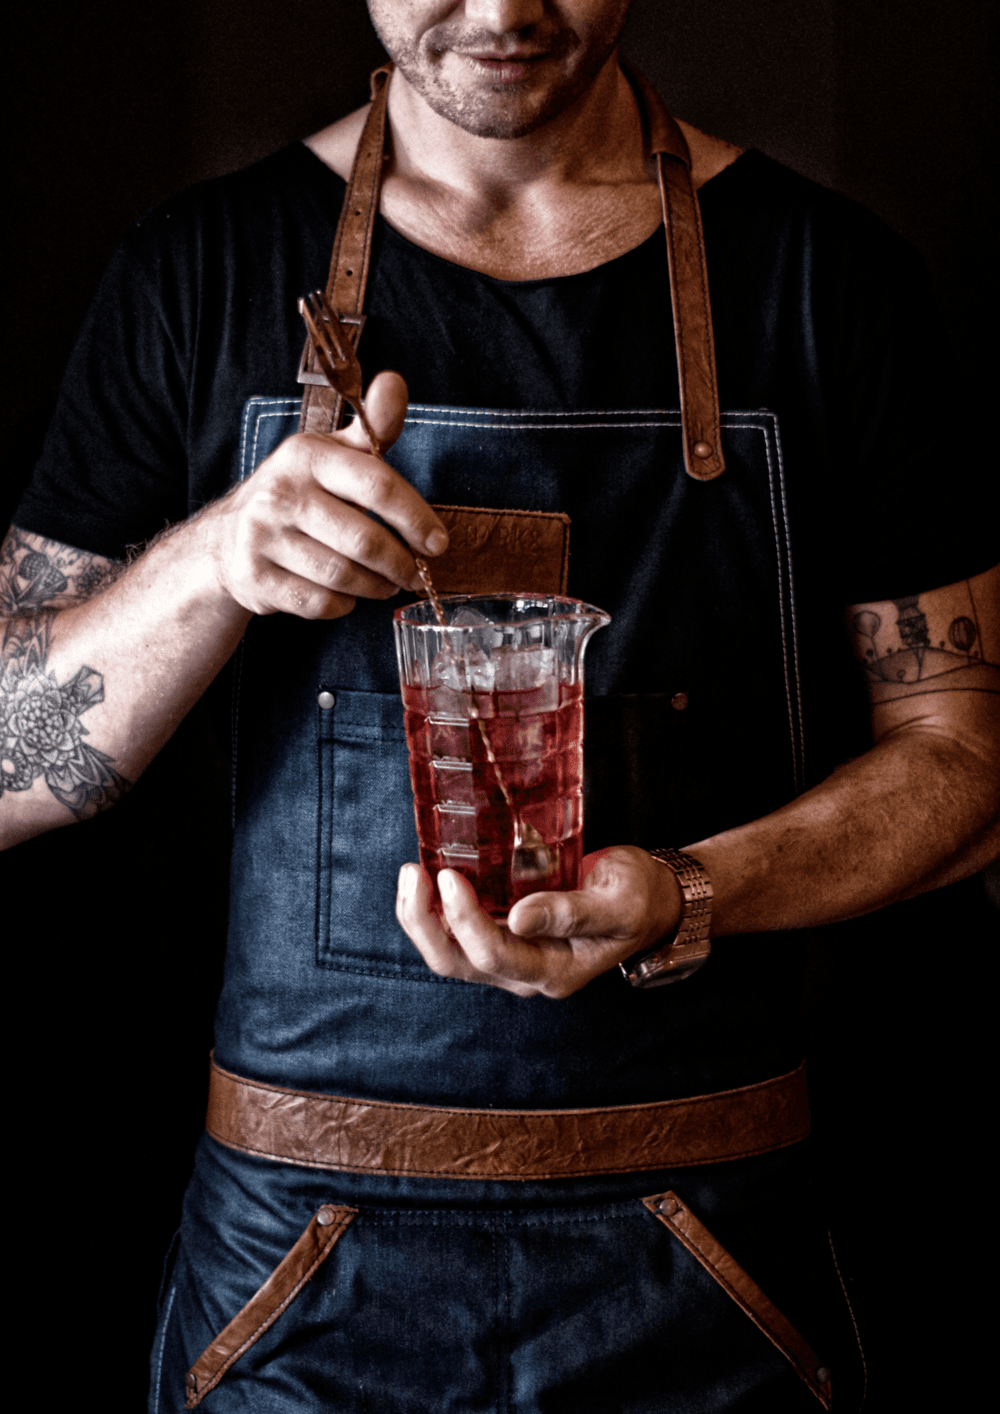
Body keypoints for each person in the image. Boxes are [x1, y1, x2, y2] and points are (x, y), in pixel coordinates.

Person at [2, 1, 998, 1409]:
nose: (504, 6)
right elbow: (4, 760)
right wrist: (217, 561)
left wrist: (693, 890)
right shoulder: (198, 271)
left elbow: (967, 766)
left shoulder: (829, 282)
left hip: (710, 1263)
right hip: (298, 1283)